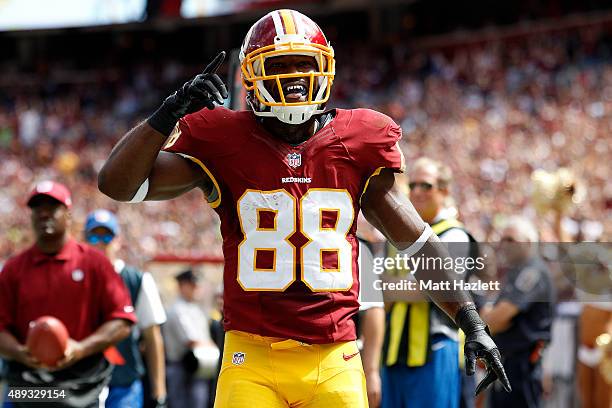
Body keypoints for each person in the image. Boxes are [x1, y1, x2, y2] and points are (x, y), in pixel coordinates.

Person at [98, 9, 510, 407]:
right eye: (281, 65)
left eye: (304, 64)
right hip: (251, 355)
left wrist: (471, 321)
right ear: (254, 76)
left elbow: (418, 242)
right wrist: (167, 112)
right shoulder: (222, 140)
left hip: (335, 357)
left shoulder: (357, 140)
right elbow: (116, 184)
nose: (295, 77)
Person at [0, 181, 136, 408]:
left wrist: (81, 348)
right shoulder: (14, 269)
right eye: (37, 208)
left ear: (68, 215)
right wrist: (21, 352)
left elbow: (122, 320)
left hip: (81, 385)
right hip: (27, 384)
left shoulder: (94, 263)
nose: (44, 213)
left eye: (52, 207)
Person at [379, 158, 476, 408]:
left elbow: (432, 290)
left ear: (444, 190)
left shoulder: (454, 233)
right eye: (413, 185)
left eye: (426, 185)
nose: (417, 192)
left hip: (435, 349)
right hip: (394, 350)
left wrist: (387, 285)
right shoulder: (397, 234)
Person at [83, 209, 167, 408]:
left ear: (118, 239)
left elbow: (153, 338)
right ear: (84, 240)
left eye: (107, 236)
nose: (101, 243)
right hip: (83, 382)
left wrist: (159, 392)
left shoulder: (137, 280)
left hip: (124, 383)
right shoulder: (74, 277)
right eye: (94, 236)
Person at [481, 216, 555, 408]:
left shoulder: (532, 271)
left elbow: (495, 321)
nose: (504, 245)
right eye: (502, 239)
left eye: (511, 239)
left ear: (528, 243)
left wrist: (491, 319)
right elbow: (493, 321)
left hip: (523, 365)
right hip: (507, 363)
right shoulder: (515, 271)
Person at [163, 269, 216, 408]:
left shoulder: (194, 308)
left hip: (198, 366)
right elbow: (191, 340)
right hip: (181, 366)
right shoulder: (178, 309)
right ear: (182, 286)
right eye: (192, 285)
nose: (196, 289)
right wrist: (212, 346)